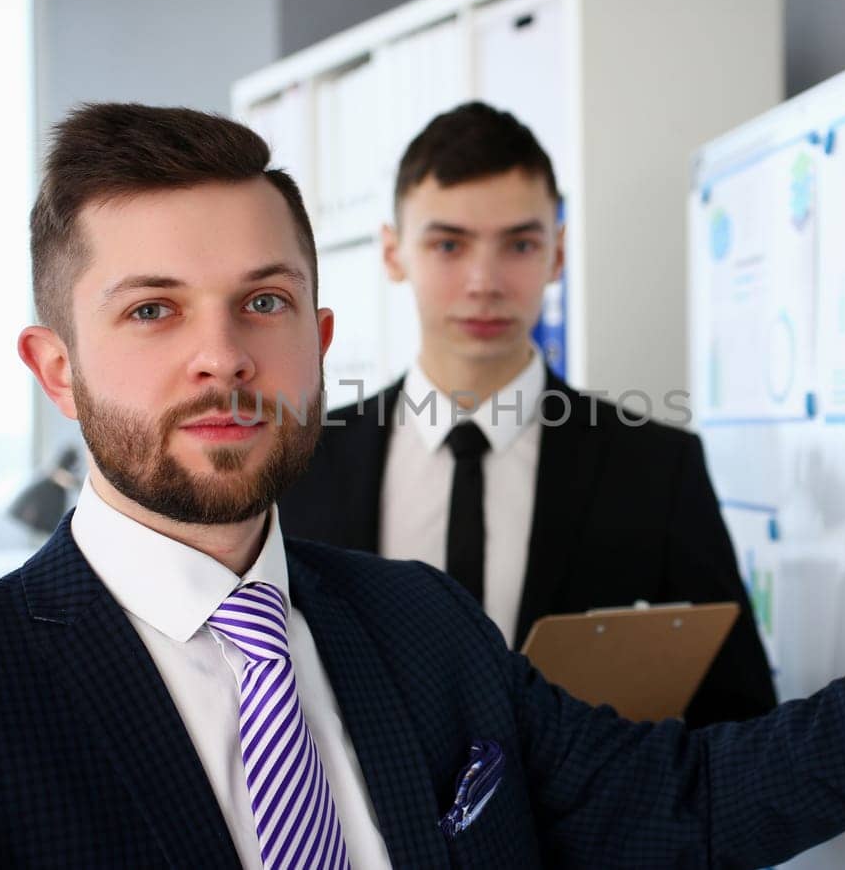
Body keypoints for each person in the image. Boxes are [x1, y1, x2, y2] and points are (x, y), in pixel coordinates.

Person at [0, 104, 845, 869]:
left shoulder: (417, 629)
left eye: (261, 301)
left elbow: (696, 793)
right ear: (54, 365)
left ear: (317, 338)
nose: (220, 355)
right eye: (151, 311)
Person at [280, 102, 776, 725]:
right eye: (449, 244)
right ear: (393, 253)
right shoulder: (302, 457)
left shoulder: (656, 466)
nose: (484, 281)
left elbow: (736, 714)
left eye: (519, 243)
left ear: (557, 254)